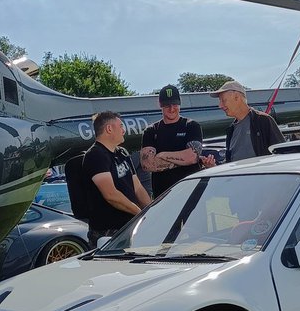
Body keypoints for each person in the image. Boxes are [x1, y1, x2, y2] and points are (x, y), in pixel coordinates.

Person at [81, 110, 150, 244]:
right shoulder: (96, 155)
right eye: (121, 126)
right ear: (109, 129)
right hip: (107, 232)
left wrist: (151, 210)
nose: (123, 130)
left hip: (129, 226)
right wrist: (139, 213)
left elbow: (137, 187)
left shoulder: (122, 152)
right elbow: (111, 195)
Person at [141, 85, 214, 198]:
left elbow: (192, 157)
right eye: (167, 105)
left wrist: (162, 155)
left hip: (191, 192)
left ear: (180, 104)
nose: (171, 109)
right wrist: (182, 159)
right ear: (160, 104)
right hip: (163, 195)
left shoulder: (191, 126)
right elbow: (147, 165)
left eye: (175, 104)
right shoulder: (151, 130)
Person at [214, 80, 284, 161]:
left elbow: (281, 153)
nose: (220, 105)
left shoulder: (262, 120)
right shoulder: (231, 130)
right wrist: (213, 166)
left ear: (237, 97)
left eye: (223, 100)